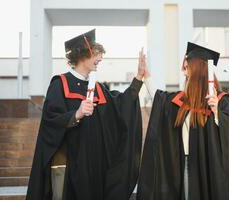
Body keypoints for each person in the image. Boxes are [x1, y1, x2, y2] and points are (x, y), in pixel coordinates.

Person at [26, 29, 145, 200]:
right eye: (97, 54)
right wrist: (76, 114)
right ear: (82, 54)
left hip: (96, 166)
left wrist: (138, 78)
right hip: (70, 165)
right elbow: (50, 122)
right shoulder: (60, 84)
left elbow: (120, 106)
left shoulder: (97, 87)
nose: (100, 58)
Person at [137, 42, 229, 200]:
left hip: (207, 166)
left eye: (187, 66)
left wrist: (218, 113)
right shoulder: (181, 101)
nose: (184, 72)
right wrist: (145, 74)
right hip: (183, 163)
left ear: (197, 69)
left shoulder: (220, 101)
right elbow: (159, 99)